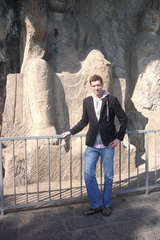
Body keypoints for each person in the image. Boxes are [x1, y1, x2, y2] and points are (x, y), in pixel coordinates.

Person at [62, 74, 128, 216]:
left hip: (108, 145)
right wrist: (71, 131)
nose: (96, 88)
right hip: (92, 145)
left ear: (102, 85)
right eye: (94, 86)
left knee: (108, 176)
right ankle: (97, 204)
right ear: (91, 87)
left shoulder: (112, 100)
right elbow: (83, 121)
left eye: (98, 85)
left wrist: (119, 138)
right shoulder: (87, 101)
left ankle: (107, 205)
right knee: (88, 174)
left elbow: (124, 120)